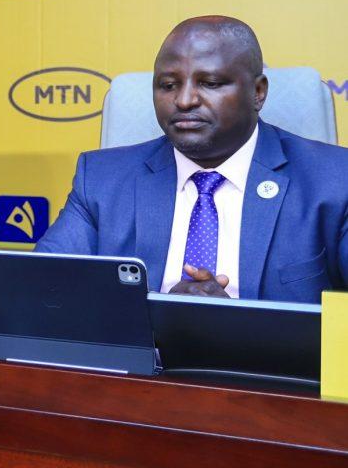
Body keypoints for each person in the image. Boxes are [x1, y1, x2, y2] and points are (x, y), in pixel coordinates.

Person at [36, 15, 348, 303]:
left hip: (277, 364)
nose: (184, 100)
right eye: (168, 85)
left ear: (258, 92)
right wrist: (157, 318)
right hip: (144, 363)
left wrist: (240, 325)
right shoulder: (102, 181)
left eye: (210, 84)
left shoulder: (334, 181)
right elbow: (43, 291)